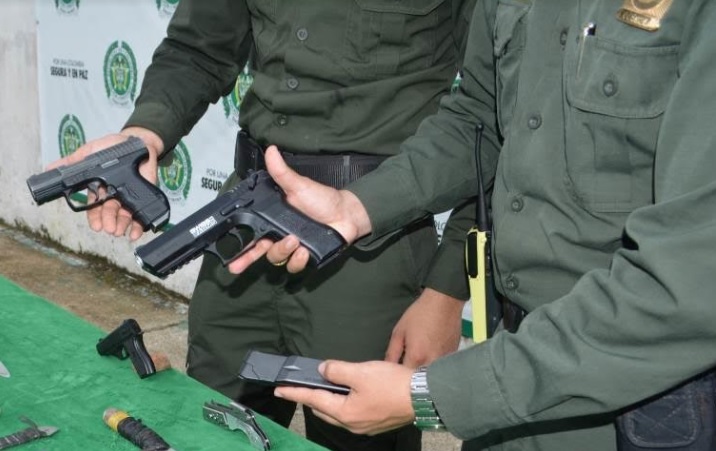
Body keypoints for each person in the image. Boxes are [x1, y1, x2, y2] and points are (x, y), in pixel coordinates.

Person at [231, 1, 716, 450]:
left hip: (640, 400)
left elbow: (686, 284)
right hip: (509, 366)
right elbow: (478, 118)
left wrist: (432, 396)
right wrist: (355, 207)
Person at [47, 1, 478, 450]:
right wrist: (146, 134)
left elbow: (488, 116)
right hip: (246, 231)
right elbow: (199, 47)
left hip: (371, 249)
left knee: (358, 436)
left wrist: (445, 294)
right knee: (212, 427)